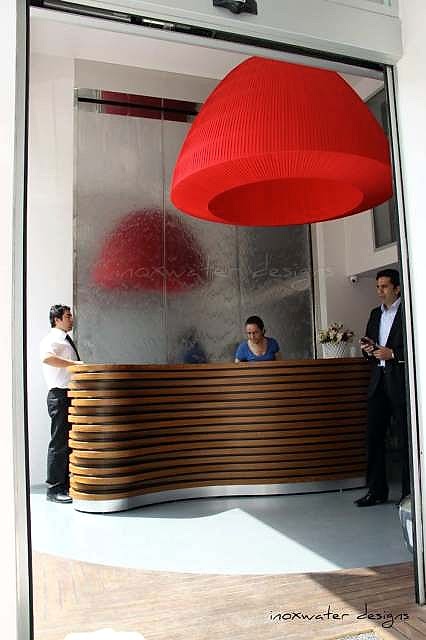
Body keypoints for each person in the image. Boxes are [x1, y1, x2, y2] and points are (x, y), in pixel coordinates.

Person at [354, 269, 409, 508]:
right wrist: (368, 349)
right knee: (374, 438)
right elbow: (371, 345)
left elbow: (416, 346)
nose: (380, 291)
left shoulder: (409, 312)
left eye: (384, 287)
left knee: (406, 441)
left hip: (400, 383)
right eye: (378, 287)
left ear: (397, 288)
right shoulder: (375, 313)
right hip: (378, 383)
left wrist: (394, 354)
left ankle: (409, 495)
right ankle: (376, 491)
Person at [40, 305, 83, 504]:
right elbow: (47, 358)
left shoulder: (65, 339)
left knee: (68, 442)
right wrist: (74, 364)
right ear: (57, 319)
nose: (71, 319)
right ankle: (54, 489)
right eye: (67, 316)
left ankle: (65, 485)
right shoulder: (52, 339)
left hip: (69, 394)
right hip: (59, 395)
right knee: (59, 443)